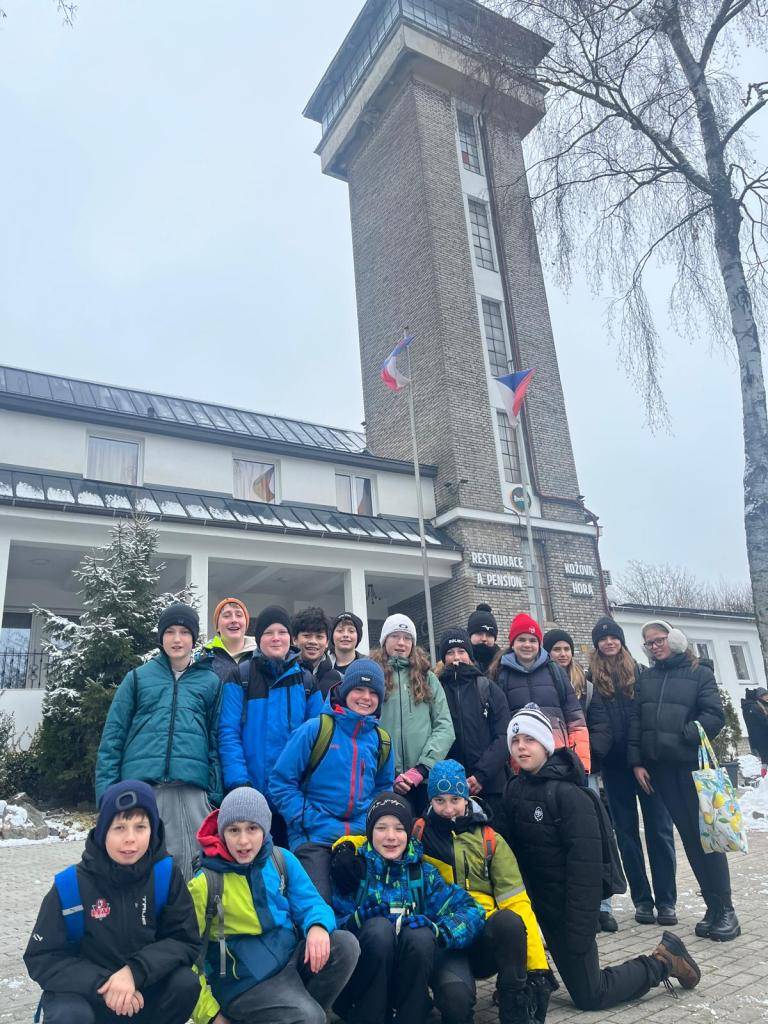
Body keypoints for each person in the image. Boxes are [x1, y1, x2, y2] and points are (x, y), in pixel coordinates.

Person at [504, 705, 702, 1011]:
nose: (521, 747)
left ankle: (664, 961)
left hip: (568, 912)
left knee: (591, 995)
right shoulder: (514, 789)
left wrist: (580, 930)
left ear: (546, 744)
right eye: (516, 741)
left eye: (529, 739)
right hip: (535, 908)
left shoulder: (570, 796)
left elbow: (586, 870)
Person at [25, 780, 200, 1024]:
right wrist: (105, 985)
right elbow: (41, 958)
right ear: (102, 830)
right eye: (119, 828)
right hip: (90, 997)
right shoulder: (69, 886)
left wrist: (135, 972)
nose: (130, 839)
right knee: (69, 1015)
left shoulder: (166, 875)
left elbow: (184, 940)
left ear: (154, 830)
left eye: (140, 827)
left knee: (185, 983)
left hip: (142, 991)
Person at [188, 787, 359, 1024]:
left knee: (345, 945)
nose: (243, 840)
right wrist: (210, 1015)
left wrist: (318, 926)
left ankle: (300, 1016)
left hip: (287, 960)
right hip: (243, 983)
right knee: (310, 1017)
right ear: (221, 832)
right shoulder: (206, 882)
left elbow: (312, 903)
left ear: (265, 828)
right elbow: (183, 956)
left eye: (252, 828)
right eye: (233, 830)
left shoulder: (280, 859)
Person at [416, 760, 554, 1024]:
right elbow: (378, 838)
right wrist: (347, 847)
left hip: (484, 939)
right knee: (456, 1006)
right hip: (446, 942)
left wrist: (537, 966)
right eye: (440, 800)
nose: (448, 809)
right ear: (430, 801)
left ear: (467, 798)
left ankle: (515, 1009)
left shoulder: (490, 839)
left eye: (455, 799)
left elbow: (518, 903)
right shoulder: (419, 835)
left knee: (509, 922)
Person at [330, 792, 486, 1024]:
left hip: (411, 979)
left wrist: (440, 931)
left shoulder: (423, 873)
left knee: (421, 936)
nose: (391, 837)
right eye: (382, 828)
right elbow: (331, 924)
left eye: (399, 828)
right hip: (365, 980)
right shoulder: (354, 871)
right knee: (378, 930)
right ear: (370, 832)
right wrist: (355, 922)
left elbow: (472, 910)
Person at [629, 620, 740, 942]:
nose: (654, 646)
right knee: (690, 839)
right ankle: (712, 907)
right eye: (649, 643)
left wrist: (686, 734)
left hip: (692, 768)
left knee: (709, 839)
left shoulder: (699, 673)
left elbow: (714, 715)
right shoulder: (646, 679)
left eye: (659, 640)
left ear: (675, 639)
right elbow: (637, 721)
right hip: (661, 771)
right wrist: (637, 762)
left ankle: (727, 910)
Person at [96, 602, 223, 879]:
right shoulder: (138, 679)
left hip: (192, 791)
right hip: (144, 791)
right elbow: (112, 740)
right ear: (161, 637)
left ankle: (194, 921)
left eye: (184, 632)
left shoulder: (211, 682)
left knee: (197, 869)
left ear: (194, 638)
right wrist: (107, 796)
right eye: (170, 632)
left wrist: (213, 795)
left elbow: (216, 741)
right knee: (144, 868)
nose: (177, 639)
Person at [271, 659, 394, 902]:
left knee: (368, 907)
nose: (365, 698)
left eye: (372, 692)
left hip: (359, 838)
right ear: (345, 691)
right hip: (313, 837)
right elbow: (280, 782)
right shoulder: (315, 729)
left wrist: (368, 827)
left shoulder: (382, 741)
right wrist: (305, 818)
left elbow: (383, 791)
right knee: (318, 906)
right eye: (359, 689)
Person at [589, 617, 677, 928]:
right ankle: (642, 899)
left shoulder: (640, 673)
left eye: (613, 637)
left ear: (621, 641)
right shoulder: (592, 679)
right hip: (615, 768)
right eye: (603, 639)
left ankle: (666, 901)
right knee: (626, 835)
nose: (609, 642)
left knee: (659, 830)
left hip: (648, 765)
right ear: (597, 644)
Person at [218, 605, 323, 848]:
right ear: (258, 639)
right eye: (268, 633)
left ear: (290, 638)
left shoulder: (306, 681)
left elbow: (320, 739)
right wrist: (239, 784)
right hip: (252, 793)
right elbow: (228, 733)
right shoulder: (240, 676)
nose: (276, 638)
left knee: (292, 868)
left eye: (282, 632)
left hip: (295, 798)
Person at [544, 627, 617, 932]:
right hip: (553, 770)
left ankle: (603, 904)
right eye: (556, 649)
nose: (562, 654)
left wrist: (586, 760)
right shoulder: (543, 682)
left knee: (594, 835)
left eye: (566, 648)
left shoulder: (585, 687)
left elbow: (600, 726)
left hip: (585, 771)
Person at [372, 614, 455, 814]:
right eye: (395, 636)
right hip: (382, 781)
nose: (401, 643)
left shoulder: (428, 678)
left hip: (423, 782)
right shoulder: (373, 675)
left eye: (407, 638)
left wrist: (421, 769)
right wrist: (385, 772)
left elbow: (444, 727)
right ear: (384, 641)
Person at [490, 613, 590, 773]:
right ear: (512, 644)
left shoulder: (555, 671)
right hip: (521, 763)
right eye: (521, 639)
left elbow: (576, 721)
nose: (527, 645)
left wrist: (581, 763)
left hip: (560, 759)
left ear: (539, 644)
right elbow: (499, 726)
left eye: (532, 640)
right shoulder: (501, 675)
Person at [437, 628, 510, 822]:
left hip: (491, 786)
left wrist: (481, 775)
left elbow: (504, 736)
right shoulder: (436, 691)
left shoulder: (488, 688)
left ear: (469, 656)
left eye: (461, 651)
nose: (456, 657)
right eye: (450, 652)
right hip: (450, 791)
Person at [291, 605, 342, 696]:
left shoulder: (338, 680)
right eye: (307, 636)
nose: (313, 642)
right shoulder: (284, 675)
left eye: (319, 637)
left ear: (327, 642)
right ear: (295, 639)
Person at [204, 597, 256, 682]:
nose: (234, 620)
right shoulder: (205, 658)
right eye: (227, 616)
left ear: (246, 623)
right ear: (217, 626)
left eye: (239, 615)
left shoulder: (260, 655)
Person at [467, 603, 500, 675]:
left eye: (489, 635)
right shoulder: (459, 664)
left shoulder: (504, 665)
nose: (484, 638)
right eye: (479, 633)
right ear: (470, 636)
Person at [742, 686, 768, 764]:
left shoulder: (761, 706)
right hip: (762, 740)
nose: (767, 696)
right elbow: (763, 722)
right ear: (760, 696)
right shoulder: (755, 707)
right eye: (765, 695)